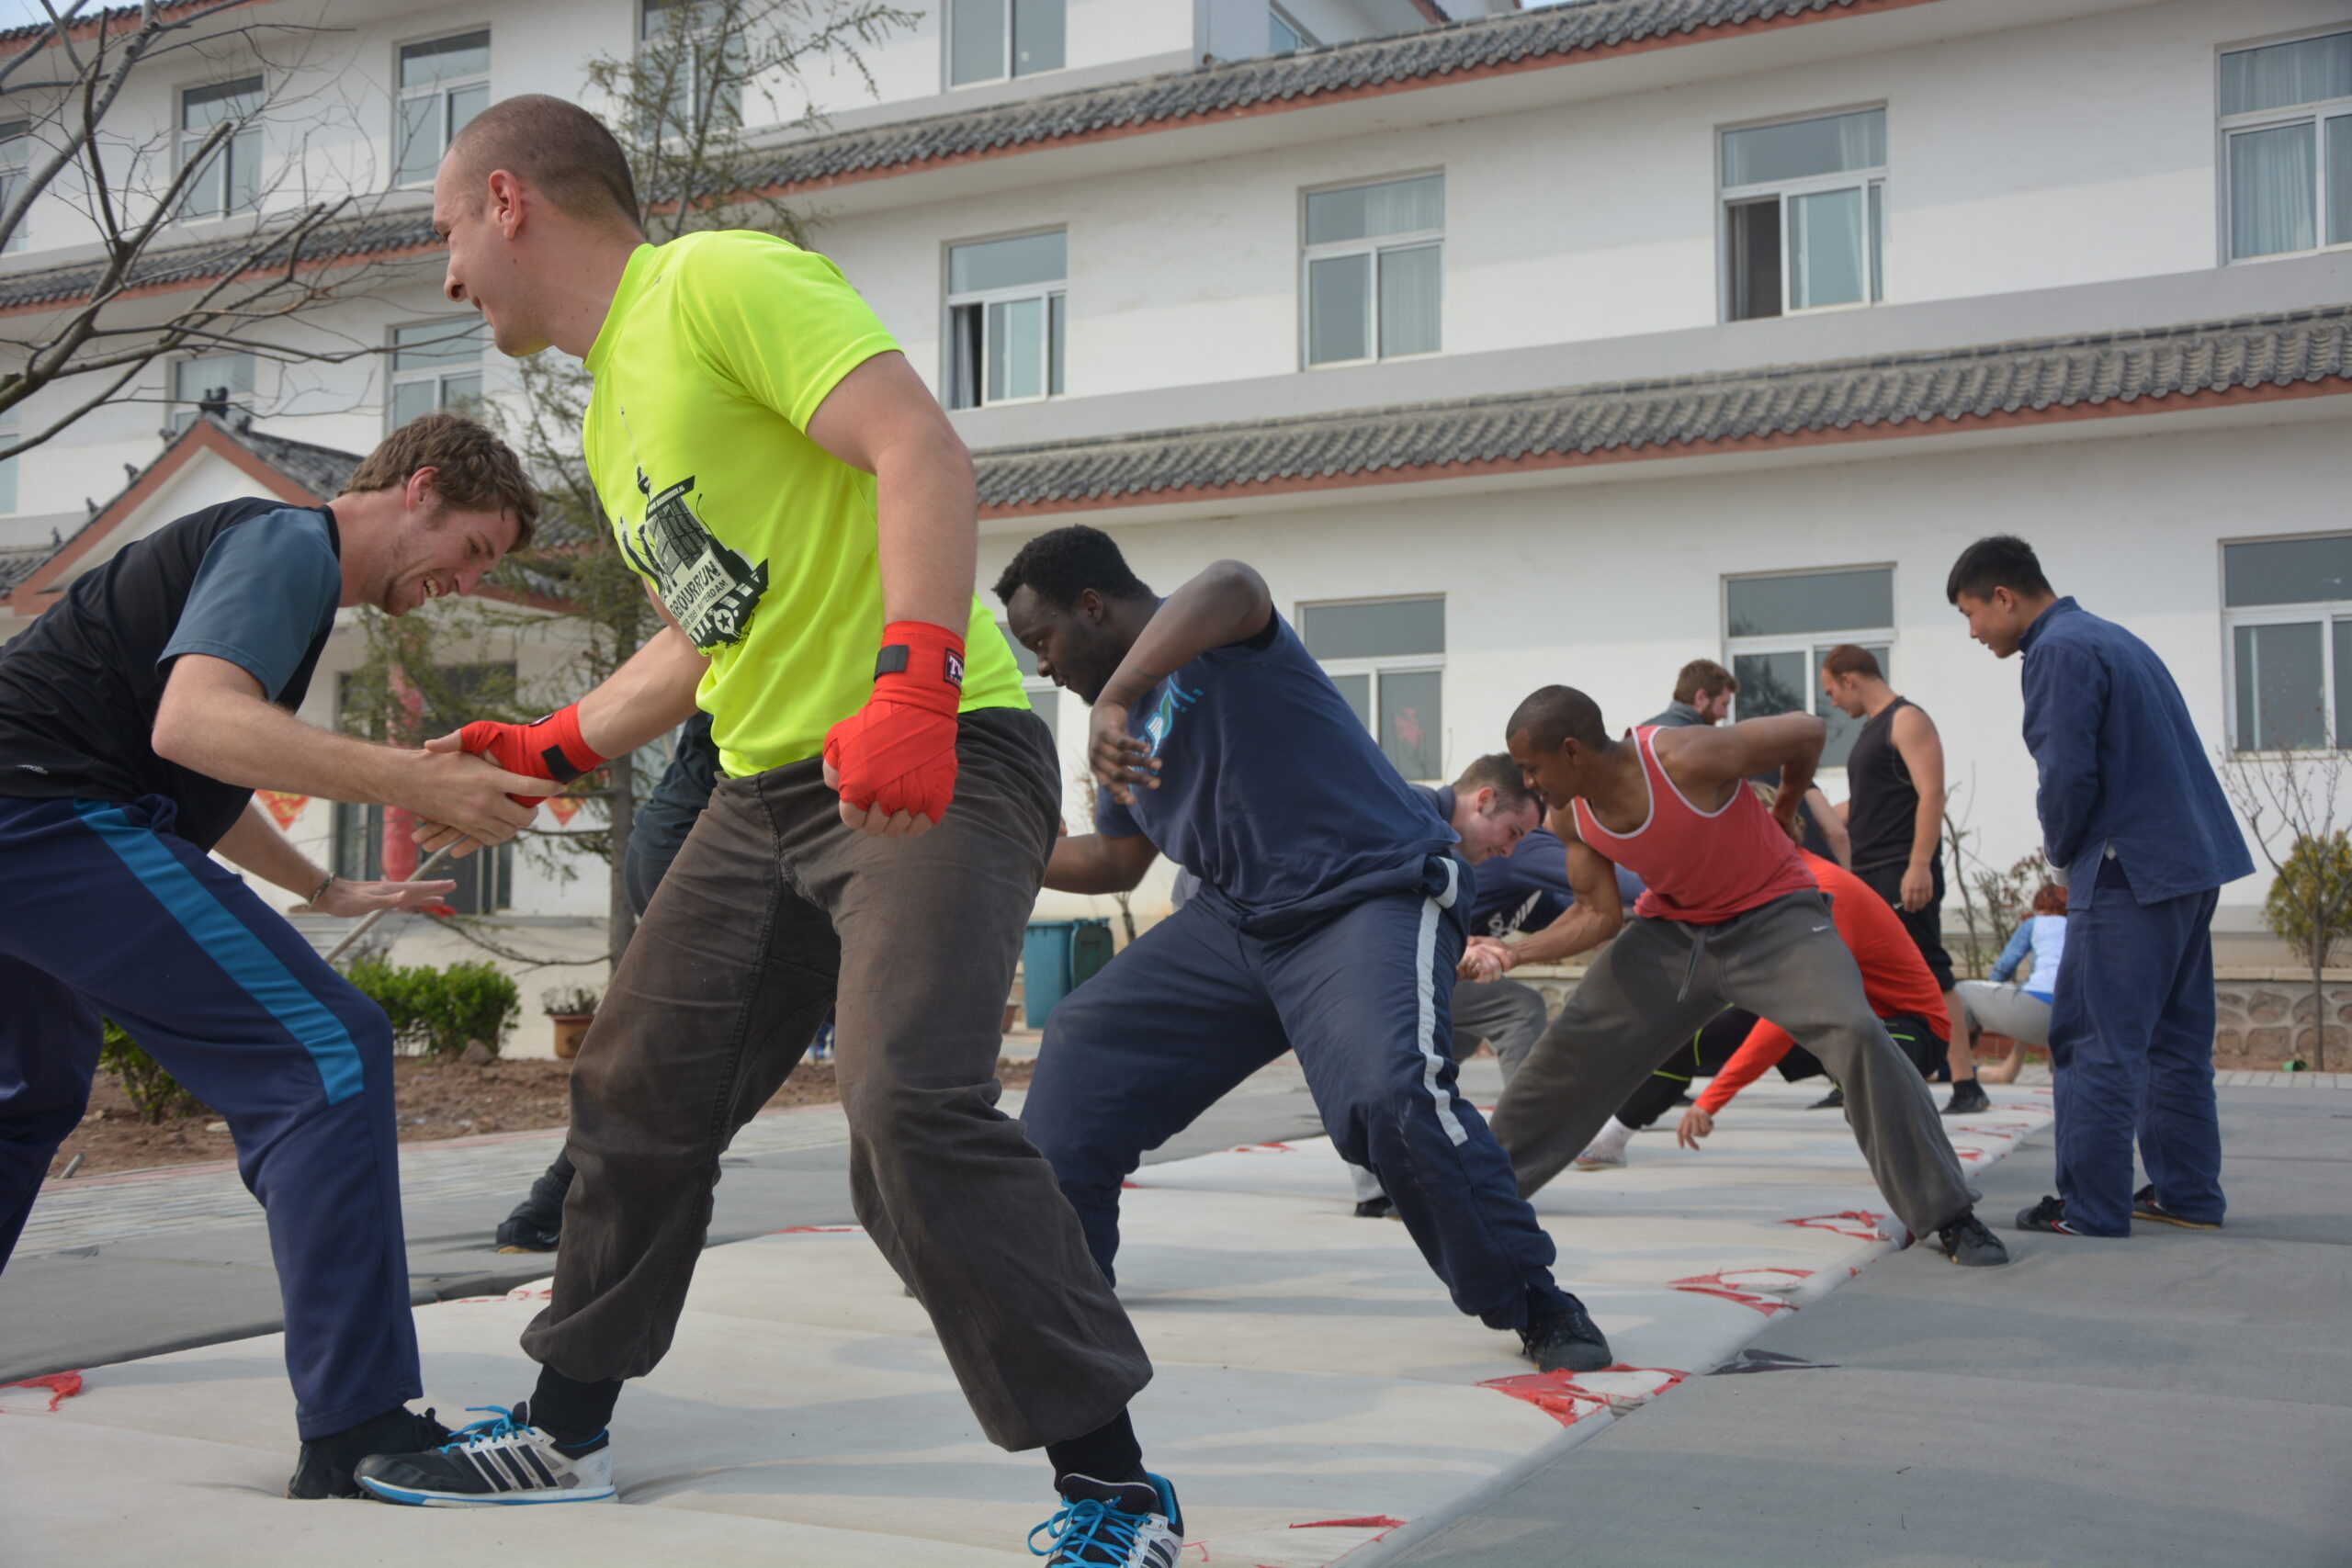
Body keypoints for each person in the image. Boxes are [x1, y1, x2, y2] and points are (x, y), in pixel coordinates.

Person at [357, 99, 1182, 1560]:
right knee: (637, 1083)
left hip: (931, 751)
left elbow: (920, 451)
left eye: (445, 234)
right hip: (764, 789)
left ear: (508, 199)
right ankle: (565, 1427)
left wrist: (914, 678)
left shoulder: (716, 281)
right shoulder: (612, 414)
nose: (446, 274)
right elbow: (706, 633)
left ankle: (1118, 1491)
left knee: (907, 1105)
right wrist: (552, 742)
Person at [0, 412, 547, 1498]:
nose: (464, 584)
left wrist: (321, 886)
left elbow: (202, 754)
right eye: (473, 549)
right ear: (419, 490)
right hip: (43, 820)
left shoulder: (267, 570)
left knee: (29, 1091)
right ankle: (358, 1428)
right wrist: (416, 779)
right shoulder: (287, 541)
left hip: (33, 816)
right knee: (324, 1052)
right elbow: (197, 727)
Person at [1001, 525, 1615, 1375]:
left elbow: (1235, 580)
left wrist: (1118, 694)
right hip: (1235, 919)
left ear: (1093, 606)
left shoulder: (1210, 632)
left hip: (1366, 889)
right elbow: (1115, 859)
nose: (1043, 668)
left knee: (1388, 1093)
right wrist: (998, 843)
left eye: (1042, 640)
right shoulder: (1117, 735)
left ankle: (1533, 1297)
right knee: (1081, 1042)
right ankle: (1062, 1292)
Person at [1490, 686, 2008, 1266]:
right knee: (1572, 1046)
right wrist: (1513, 953)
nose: (1528, 783)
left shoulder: (1684, 756)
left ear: (1571, 751)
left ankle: (1949, 1214)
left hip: (1775, 918)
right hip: (1674, 932)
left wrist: (1784, 807)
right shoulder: (1571, 815)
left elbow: (1808, 730)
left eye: (1532, 768)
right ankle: (1476, 1195)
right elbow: (1597, 914)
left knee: (1858, 1032)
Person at [1949, 535, 2250, 1237]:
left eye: (1971, 614)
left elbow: (2067, 773)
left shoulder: (2056, 651)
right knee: (2172, 1042)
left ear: (2004, 596)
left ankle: (2090, 1206)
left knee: (2092, 1039)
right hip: (2189, 863)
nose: (1973, 632)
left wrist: (2059, 858)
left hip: (2126, 867)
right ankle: (2186, 1194)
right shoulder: (2116, 638)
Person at [493, 712, 720, 1254]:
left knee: (686, 1054)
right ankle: (572, 1206)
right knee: (694, 1060)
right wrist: (536, 754)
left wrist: (538, 751)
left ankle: (564, 1203)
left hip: (675, 839)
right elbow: (659, 684)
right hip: (705, 851)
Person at [1350, 753, 1543, 1217]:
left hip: (1363, 968)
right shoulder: (1406, 818)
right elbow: (1375, 922)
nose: (1510, 851)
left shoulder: (1439, 839)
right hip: (1299, 949)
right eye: (1513, 832)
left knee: (1442, 1034)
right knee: (1510, 1010)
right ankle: (1492, 1168)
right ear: (1484, 800)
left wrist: (1464, 951)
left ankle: (1391, 1179)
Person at [1818, 645, 1985, 1115]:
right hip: (1869, 873)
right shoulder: (1872, 730)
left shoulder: (1906, 719)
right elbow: (1869, 803)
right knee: (1864, 975)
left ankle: (1966, 1084)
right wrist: (1813, 817)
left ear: (1850, 679)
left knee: (1930, 969)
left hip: (1901, 868)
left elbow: (1931, 794)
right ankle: (1855, 1078)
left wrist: (1919, 865)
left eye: (1831, 691)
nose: (1832, 702)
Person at [1957, 883, 2068, 1088]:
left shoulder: (2034, 923)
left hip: (2035, 1011)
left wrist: (1991, 1006)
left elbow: (2004, 967)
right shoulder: (2079, 926)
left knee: (1959, 990)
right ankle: (2059, 1074)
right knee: (2060, 999)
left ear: (2039, 907)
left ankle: (1958, 1063)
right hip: (2073, 1017)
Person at [1643, 659, 1737, 729]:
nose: (1725, 714)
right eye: (1724, 704)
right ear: (1701, 698)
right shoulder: (1695, 740)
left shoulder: (1641, 733)